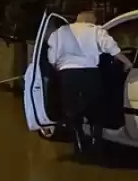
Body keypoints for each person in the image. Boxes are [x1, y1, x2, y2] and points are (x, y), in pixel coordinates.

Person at [47, 11, 133, 157]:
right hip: (90, 74)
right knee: (96, 109)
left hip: (67, 74)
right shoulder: (95, 30)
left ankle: (79, 142)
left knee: (73, 110)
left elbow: (52, 57)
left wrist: (59, 70)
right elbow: (112, 48)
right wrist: (128, 63)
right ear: (90, 20)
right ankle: (96, 143)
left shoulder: (60, 33)